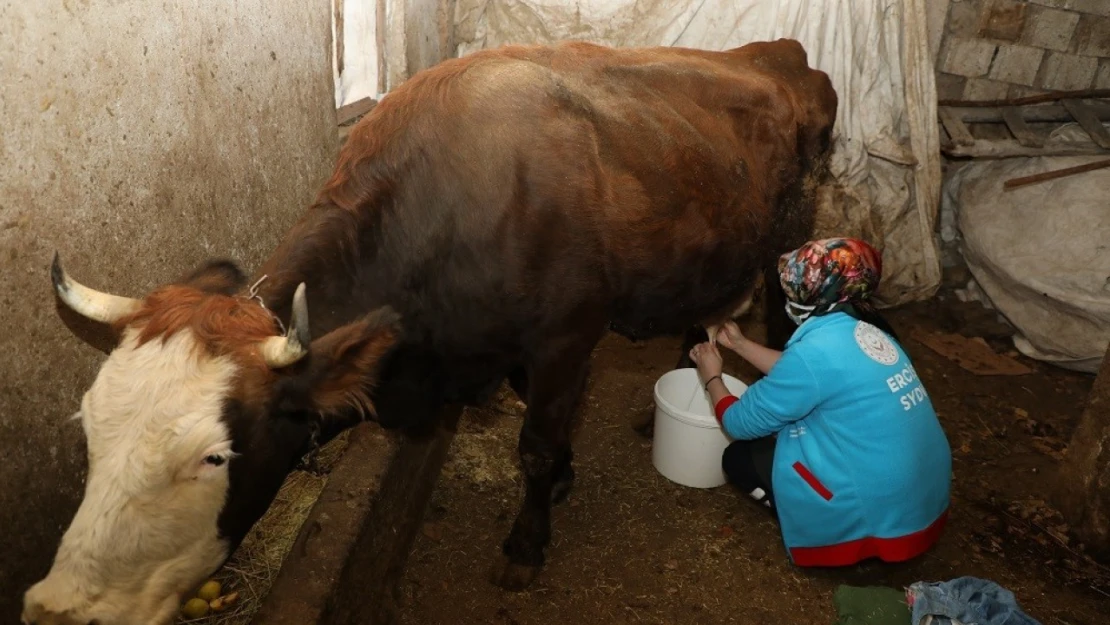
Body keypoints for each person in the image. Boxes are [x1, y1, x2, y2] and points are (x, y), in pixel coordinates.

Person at [688, 237, 951, 568]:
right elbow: (806, 372)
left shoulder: (815, 355)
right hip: (920, 505)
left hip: (879, 523)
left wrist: (712, 375)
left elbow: (738, 422)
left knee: (739, 458)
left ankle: (826, 531)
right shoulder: (869, 333)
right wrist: (740, 345)